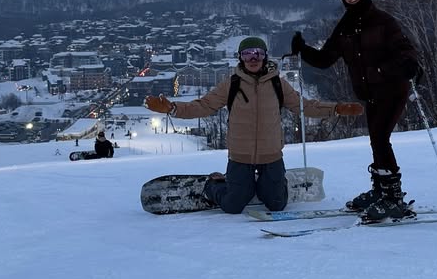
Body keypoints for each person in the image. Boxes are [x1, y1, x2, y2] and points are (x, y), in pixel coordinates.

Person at [145, 36, 362, 213]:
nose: (253, 58)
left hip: (271, 155)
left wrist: (336, 109)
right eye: (247, 54)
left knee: (277, 204)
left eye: (257, 53)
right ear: (240, 58)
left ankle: (273, 184)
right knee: (233, 205)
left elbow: (304, 106)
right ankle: (214, 184)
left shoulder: (278, 83)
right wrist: (172, 108)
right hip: (241, 155)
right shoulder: (231, 84)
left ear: (265, 56)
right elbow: (203, 106)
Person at [292, 0, 421, 221]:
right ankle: (381, 190)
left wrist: (407, 64)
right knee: (376, 139)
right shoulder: (345, 27)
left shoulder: (383, 21)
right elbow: (325, 59)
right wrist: (303, 49)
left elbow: (405, 49)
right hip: (370, 92)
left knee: (381, 138)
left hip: (393, 87)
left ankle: (393, 199)